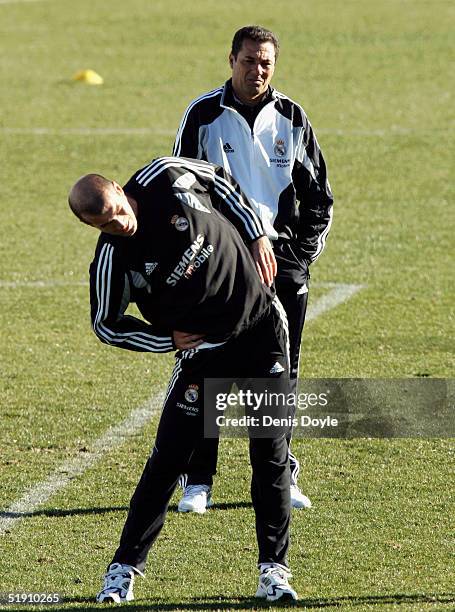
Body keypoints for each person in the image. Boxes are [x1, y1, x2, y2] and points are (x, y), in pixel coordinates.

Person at [68, 156, 298, 603]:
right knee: (168, 460)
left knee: (269, 453)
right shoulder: (114, 261)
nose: (121, 224)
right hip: (204, 356)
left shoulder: (165, 176)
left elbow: (221, 179)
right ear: (89, 225)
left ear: (119, 188)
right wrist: (164, 340)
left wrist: (255, 233)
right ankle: (122, 571)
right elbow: (105, 323)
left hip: (262, 331)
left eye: (118, 211)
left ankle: (274, 571)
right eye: (106, 224)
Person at [173, 25, 334, 512]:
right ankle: (199, 479)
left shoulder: (292, 117)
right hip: (220, 265)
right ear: (231, 60)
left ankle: (282, 473)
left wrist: (299, 261)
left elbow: (319, 197)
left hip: (279, 266)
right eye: (248, 60)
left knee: (281, 372)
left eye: (265, 62)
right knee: (205, 365)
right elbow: (182, 188)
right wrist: (200, 254)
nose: (256, 70)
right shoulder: (203, 115)